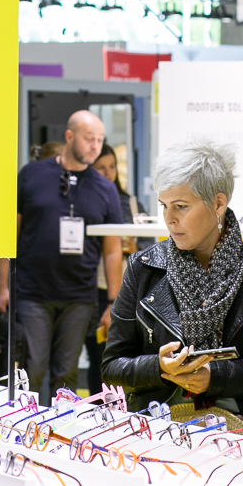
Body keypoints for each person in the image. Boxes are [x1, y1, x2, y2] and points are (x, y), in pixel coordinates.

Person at [103, 140, 243, 438]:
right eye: (164, 206)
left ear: (218, 204)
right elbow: (112, 366)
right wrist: (159, 367)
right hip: (160, 431)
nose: (169, 218)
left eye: (181, 206)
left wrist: (218, 377)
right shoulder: (144, 268)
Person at [0, 111, 122, 404]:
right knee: (33, 369)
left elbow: (112, 249)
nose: (95, 146)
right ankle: (25, 424)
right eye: (89, 139)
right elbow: (8, 236)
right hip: (32, 292)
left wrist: (113, 301)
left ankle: (60, 428)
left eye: (100, 140)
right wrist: (3, 287)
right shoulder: (32, 175)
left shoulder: (105, 189)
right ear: (69, 136)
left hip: (79, 296)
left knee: (66, 375)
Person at [84, 145, 136, 395]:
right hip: (94, 284)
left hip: (126, 286)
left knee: (122, 353)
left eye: (112, 167)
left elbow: (148, 246)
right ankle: (96, 405)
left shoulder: (129, 202)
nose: (108, 173)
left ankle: (120, 406)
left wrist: (134, 246)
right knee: (98, 353)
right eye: (101, 168)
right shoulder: (85, 201)